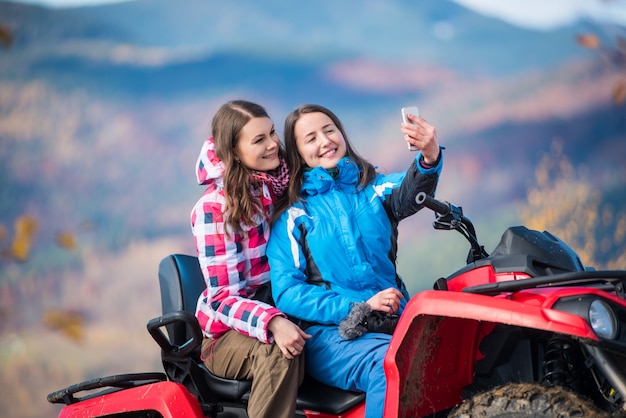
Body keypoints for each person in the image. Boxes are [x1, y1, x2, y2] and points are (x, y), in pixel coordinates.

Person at [267, 104, 443, 418]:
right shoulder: (294, 215)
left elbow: (408, 191)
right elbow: (288, 292)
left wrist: (429, 157)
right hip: (328, 333)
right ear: (298, 154)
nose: (324, 141)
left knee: (449, 348)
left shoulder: (374, 189)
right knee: (388, 364)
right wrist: (357, 306)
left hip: (390, 318)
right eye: (310, 138)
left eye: (329, 129)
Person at [190, 100, 310, 418]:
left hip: (281, 302)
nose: (273, 144)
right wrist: (272, 322)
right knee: (279, 352)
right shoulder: (214, 210)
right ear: (234, 151)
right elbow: (223, 299)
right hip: (226, 333)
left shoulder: (276, 183)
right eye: (259, 140)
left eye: (272, 133)